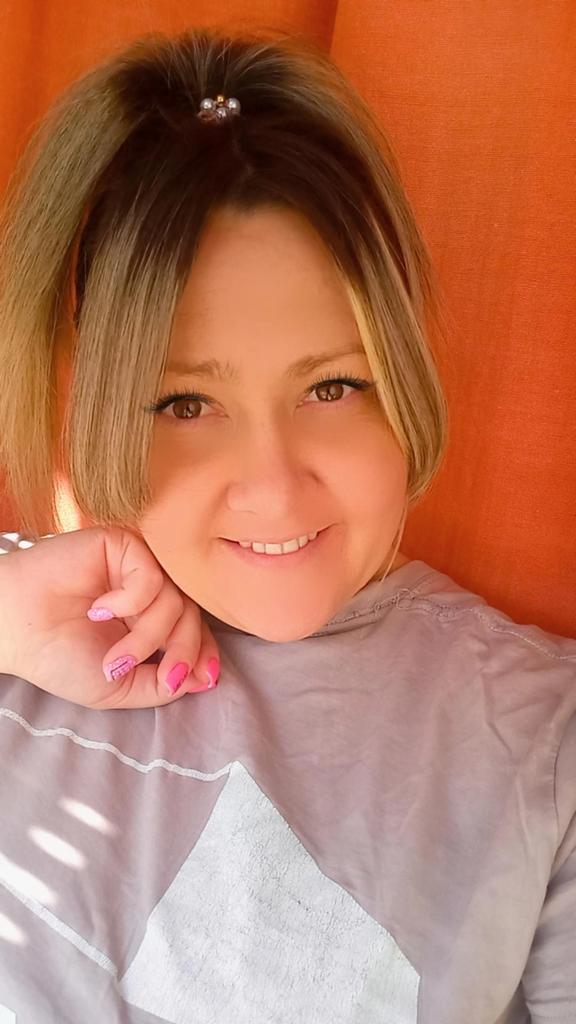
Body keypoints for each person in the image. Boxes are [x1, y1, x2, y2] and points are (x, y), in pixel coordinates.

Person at [0, 25, 574, 1024]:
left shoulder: (543, 732)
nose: (272, 489)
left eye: (333, 386)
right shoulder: (26, 617)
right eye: (183, 403)